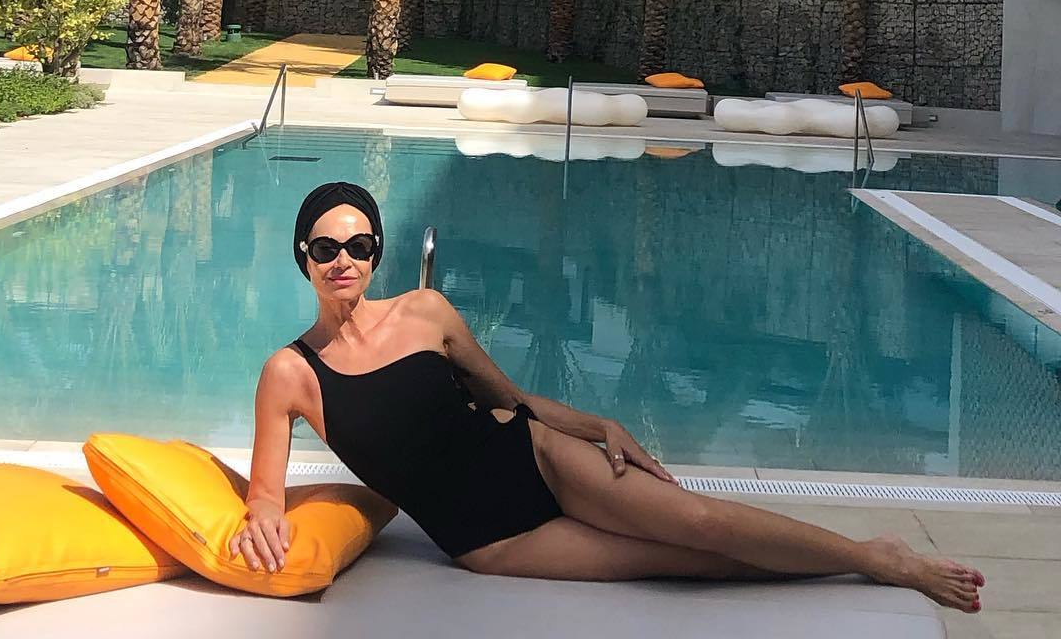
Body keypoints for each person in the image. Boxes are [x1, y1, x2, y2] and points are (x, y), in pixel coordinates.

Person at [228, 181, 984, 614]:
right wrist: (262, 516)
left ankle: (876, 558)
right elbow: (265, 494)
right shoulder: (290, 373)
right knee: (683, 563)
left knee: (700, 520)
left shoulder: (425, 314)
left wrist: (599, 425)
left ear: (377, 252)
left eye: (359, 245)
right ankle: (852, 563)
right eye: (325, 248)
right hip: (490, 542)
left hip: (537, 459)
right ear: (303, 256)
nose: (343, 260)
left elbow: (510, 398)